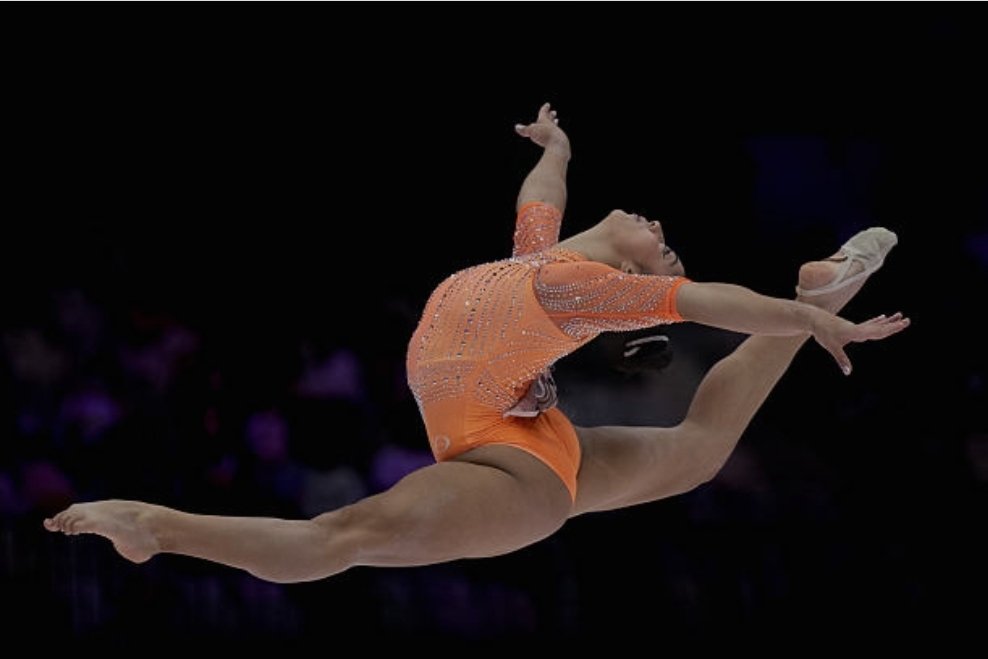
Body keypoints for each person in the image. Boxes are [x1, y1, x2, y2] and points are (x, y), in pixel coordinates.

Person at [44, 103, 908, 583]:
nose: (658, 229)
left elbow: (709, 301)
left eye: (660, 243)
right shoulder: (537, 257)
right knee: (696, 453)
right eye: (661, 236)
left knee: (343, 534)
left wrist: (800, 321)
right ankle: (818, 293)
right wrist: (558, 147)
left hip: (512, 469)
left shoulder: (583, 286)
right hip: (515, 447)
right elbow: (541, 194)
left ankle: (154, 527)